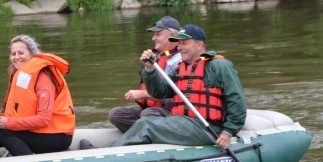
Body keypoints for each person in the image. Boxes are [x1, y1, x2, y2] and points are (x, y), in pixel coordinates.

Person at [81, 24, 246, 150]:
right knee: (146, 120)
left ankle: (103, 152)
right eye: (179, 43)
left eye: (185, 43)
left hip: (207, 128)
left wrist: (228, 132)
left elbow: (236, 100)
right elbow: (159, 92)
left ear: (200, 45)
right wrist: (149, 69)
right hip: (182, 121)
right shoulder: (180, 67)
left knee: (146, 123)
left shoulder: (219, 66)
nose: (180, 47)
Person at [0, 35, 75, 161]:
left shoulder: (43, 79)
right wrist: (4, 119)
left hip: (58, 136)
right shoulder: (22, 75)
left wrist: (9, 123)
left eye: (21, 53)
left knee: (3, 132)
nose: (16, 57)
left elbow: (44, 119)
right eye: (13, 54)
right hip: (40, 132)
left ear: (32, 54)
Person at [108, 16, 183, 133]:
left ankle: (145, 134)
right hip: (152, 112)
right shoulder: (156, 57)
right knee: (116, 115)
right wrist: (149, 67)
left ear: (172, 35)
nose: (153, 38)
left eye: (158, 34)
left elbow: (174, 96)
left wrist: (143, 94)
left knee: (147, 114)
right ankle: (147, 133)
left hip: (172, 112)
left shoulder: (181, 60)